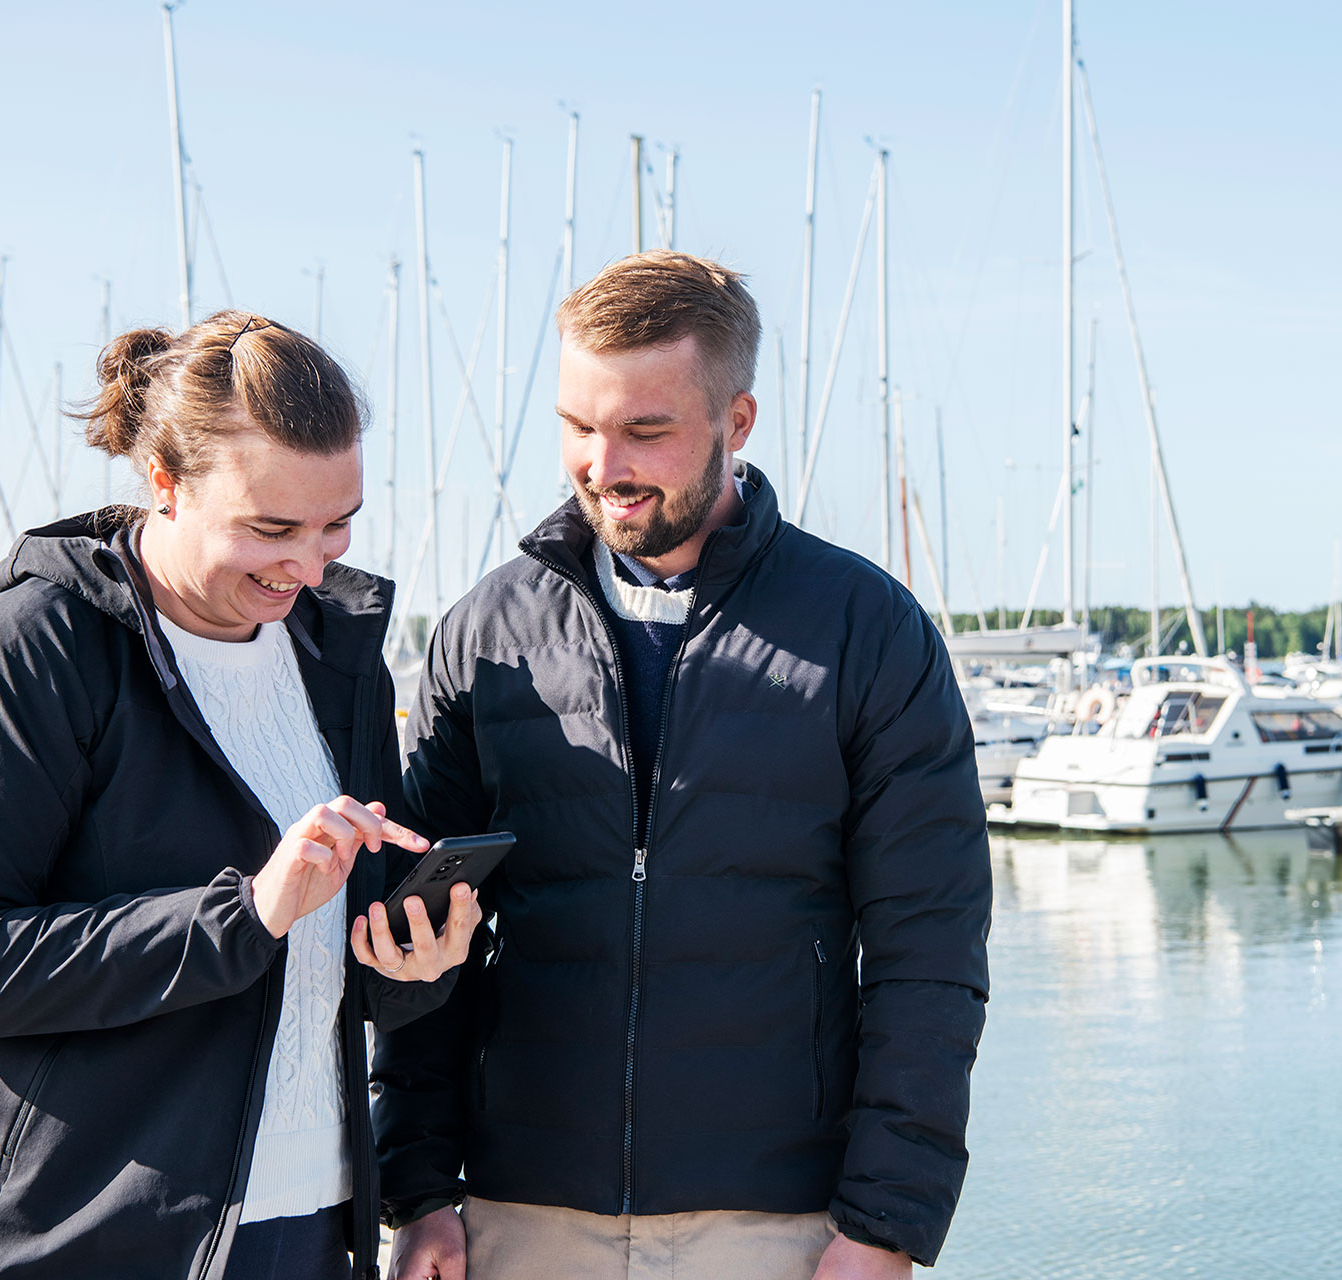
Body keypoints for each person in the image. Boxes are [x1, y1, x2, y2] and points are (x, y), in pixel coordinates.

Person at [373, 252, 992, 1280]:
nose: (602, 461)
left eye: (645, 430)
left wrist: (883, 1224)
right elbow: (423, 944)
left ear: (736, 422)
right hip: (517, 1214)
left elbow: (928, 956)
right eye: (577, 424)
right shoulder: (483, 632)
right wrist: (422, 1193)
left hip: (777, 1223)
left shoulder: (868, 631)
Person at [0, 311, 483, 1280]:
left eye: (338, 523)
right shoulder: (29, 649)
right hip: (70, 1241)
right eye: (271, 528)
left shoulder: (342, 656)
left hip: (310, 1226)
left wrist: (410, 967)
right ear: (165, 482)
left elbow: (319, 971)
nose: (311, 565)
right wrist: (241, 912)